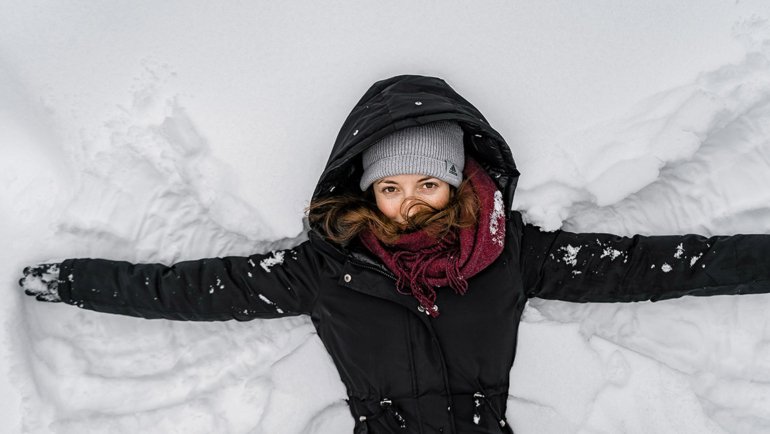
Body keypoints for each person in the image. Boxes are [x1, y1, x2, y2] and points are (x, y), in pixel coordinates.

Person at [19, 74, 770, 434]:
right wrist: (67, 280)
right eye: (390, 187)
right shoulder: (326, 270)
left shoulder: (511, 255)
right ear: (364, 190)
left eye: (427, 184)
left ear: (458, 186)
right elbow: (184, 292)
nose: (408, 203)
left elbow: (661, 265)